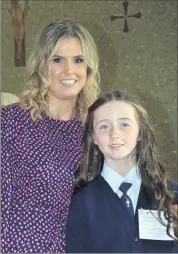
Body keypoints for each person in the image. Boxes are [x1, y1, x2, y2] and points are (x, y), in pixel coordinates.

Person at [1, 19, 100, 253]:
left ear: (89, 67)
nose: (69, 71)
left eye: (78, 60)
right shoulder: (11, 121)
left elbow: (133, 171)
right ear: (42, 65)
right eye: (58, 60)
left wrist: (169, 198)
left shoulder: (97, 129)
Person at [66, 90, 178, 253]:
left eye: (124, 124)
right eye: (104, 126)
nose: (114, 134)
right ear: (94, 137)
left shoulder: (172, 194)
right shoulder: (80, 203)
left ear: (140, 132)